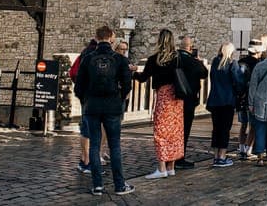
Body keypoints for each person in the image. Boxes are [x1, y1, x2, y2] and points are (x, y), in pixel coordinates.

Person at [74, 25, 134, 196]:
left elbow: (79, 86)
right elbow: (127, 84)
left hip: (92, 105)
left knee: (94, 145)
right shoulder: (119, 59)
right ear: (111, 38)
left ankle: (97, 185)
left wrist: (85, 100)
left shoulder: (88, 58)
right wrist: (119, 98)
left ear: (97, 37)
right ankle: (119, 185)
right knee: (114, 145)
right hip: (112, 105)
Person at [133, 29, 184, 179]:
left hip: (164, 96)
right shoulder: (178, 58)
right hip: (177, 98)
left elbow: (143, 78)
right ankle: (171, 166)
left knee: (161, 131)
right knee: (175, 132)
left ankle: (161, 168)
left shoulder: (155, 59)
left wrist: (133, 72)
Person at [205, 42, 244, 167]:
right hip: (227, 100)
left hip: (215, 100)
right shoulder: (232, 64)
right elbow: (238, 82)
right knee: (225, 129)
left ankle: (216, 156)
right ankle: (222, 156)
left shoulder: (215, 63)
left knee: (216, 129)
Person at [175, 34, 208, 168]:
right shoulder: (193, 62)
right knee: (184, 130)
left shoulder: (174, 59)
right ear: (190, 48)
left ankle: (169, 156)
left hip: (174, 98)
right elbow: (204, 74)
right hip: (188, 99)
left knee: (174, 129)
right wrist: (198, 61)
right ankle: (179, 157)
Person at [71, 38, 98, 174]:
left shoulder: (85, 53)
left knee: (87, 127)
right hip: (92, 96)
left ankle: (85, 160)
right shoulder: (93, 54)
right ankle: (87, 161)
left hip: (86, 95)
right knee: (89, 129)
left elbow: (74, 73)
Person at [236, 40, 263, 160]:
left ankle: (241, 147)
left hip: (241, 97)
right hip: (252, 98)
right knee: (253, 125)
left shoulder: (240, 62)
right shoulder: (258, 64)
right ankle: (248, 149)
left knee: (243, 124)